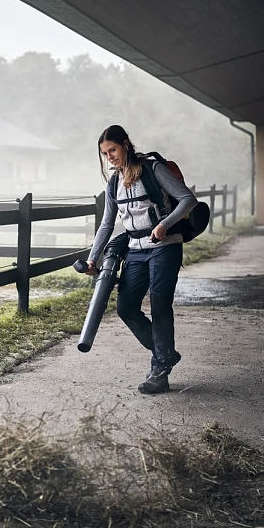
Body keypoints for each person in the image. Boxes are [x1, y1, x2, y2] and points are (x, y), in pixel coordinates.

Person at [86, 125, 198, 394]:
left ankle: (159, 372)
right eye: (104, 153)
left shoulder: (152, 169)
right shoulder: (113, 182)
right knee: (126, 307)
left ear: (125, 144)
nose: (109, 156)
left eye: (112, 149)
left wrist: (164, 225)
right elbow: (106, 224)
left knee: (160, 306)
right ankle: (166, 354)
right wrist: (92, 258)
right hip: (135, 249)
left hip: (165, 246)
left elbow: (187, 199)